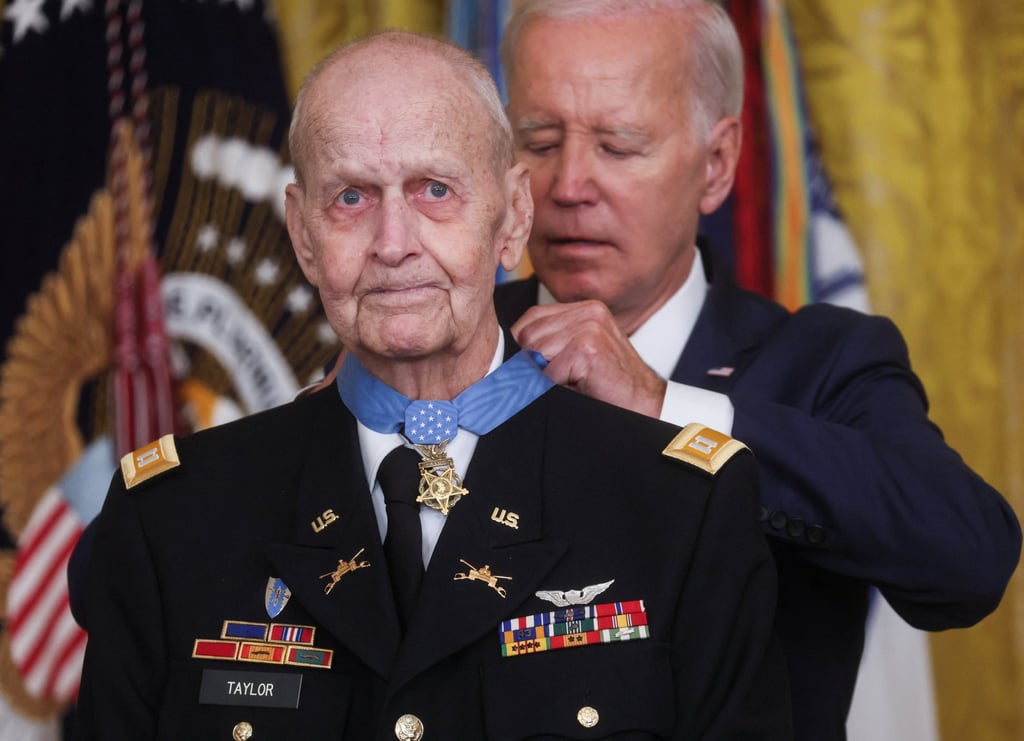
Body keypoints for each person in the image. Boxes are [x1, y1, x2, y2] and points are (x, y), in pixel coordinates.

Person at [75, 30, 793, 738]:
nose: (393, 242)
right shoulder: (171, 520)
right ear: (302, 234)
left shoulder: (680, 510)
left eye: (435, 190)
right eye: (351, 197)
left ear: (513, 217)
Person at [495, 1, 1022, 740]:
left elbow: (971, 559)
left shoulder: (824, 362)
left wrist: (665, 407)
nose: (569, 183)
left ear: (716, 165)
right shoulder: (442, 349)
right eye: (538, 141)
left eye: (618, 145)